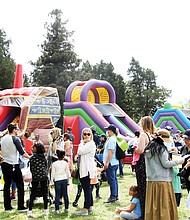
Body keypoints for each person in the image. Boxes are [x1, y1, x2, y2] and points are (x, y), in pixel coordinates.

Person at [144, 129, 186, 220]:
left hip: (151, 180)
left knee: (153, 204)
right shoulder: (161, 149)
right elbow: (166, 164)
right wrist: (180, 161)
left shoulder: (148, 149)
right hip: (163, 180)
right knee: (164, 205)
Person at [1, 123, 30, 212]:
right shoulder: (15, 139)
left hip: (4, 164)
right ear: (14, 130)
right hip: (13, 164)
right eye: (17, 129)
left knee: (7, 185)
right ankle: (20, 206)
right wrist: (31, 157)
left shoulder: (2, 139)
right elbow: (22, 152)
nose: (18, 131)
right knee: (20, 185)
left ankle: (7, 206)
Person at [134, 116, 155, 219]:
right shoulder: (151, 136)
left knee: (142, 189)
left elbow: (140, 150)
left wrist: (135, 147)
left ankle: (143, 214)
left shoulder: (143, 135)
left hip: (141, 164)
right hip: (149, 164)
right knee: (147, 189)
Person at [76, 127, 96, 216]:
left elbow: (80, 151)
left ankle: (85, 208)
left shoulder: (90, 144)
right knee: (87, 189)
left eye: (88, 134)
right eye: (85, 134)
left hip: (87, 169)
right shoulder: (85, 144)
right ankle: (90, 206)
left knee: (86, 189)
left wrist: (82, 143)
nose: (86, 136)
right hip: (84, 168)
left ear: (91, 135)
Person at [27, 142, 49, 217]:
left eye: (34, 147)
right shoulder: (44, 157)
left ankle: (29, 210)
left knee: (32, 193)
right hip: (44, 177)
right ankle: (46, 209)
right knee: (45, 193)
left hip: (35, 177)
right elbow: (46, 166)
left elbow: (31, 168)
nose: (32, 148)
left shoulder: (32, 158)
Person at [103, 124, 119, 203]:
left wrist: (106, 162)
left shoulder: (112, 140)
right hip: (114, 162)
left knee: (112, 180)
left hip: (111, 163)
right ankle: (115, 195)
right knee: (114, 180)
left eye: (108, 130)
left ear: (111, 131)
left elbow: (111, 151)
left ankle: (113, 196)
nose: (107, 131)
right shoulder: (114, 139)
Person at [51, 150, 70, 214]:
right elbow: (68, 173)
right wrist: (68, 181)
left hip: (57, 180)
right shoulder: (65, 163)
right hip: (64, 179)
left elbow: (52, 174)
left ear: (56, 155)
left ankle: (57, 209)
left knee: (57, 195)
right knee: (65, 194)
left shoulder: (54, 164)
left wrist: (51, 182)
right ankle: (66, 208)